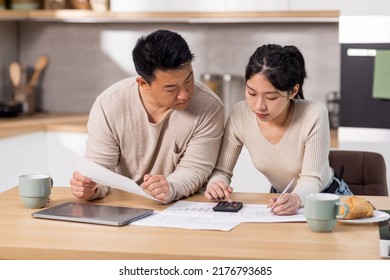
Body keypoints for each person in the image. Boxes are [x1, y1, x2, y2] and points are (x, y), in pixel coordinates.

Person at [70, 29, 224, 203]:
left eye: (188, 80)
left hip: (185, 205)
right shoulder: (109, 105)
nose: (185, 94)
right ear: (143, 83)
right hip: (126, 205)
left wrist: (171, 188)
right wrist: (90, 187)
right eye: (171, 89)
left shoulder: (209, 106)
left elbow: (196, 169)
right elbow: (100, 172)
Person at [204, 44, 352, 215]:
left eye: (271, 97)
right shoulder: (240, 114)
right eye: (251, 93)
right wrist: (216, 184)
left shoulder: (313, 114)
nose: (259, 106)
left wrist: (296, 199)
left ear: (293, 91)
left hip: (326, 199)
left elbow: (311, 179)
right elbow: (221, 171)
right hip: (281, 201)